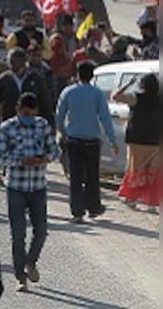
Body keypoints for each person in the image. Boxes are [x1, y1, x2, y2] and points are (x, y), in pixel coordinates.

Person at [0, 92, 61, 292]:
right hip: (16, 186)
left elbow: (55, 151)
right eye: (24, 113)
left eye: (31, 113)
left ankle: (30, 261)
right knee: (18, 234)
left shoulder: (42, 125)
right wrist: (20, 161)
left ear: (36, 112)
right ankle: (20, 277)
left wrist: (43, 159)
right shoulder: (7, 128)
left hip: (38, 186)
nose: (28, 116)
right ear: (18, 109)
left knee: (41, 230)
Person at [56, 61, 117, 221]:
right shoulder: (97, 94)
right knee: (92, 175)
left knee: (75, 176)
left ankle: (77, 212)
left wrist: (63, 132)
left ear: (77, 74)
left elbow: (59, 116)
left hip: (73, 139)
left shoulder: (68, 92)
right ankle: (94, 208)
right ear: (92, 76)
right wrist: (112, 140)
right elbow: (105, 118)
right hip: (92, 140)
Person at [113, 73, 161, 211]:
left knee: (135, 169)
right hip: (155, 141)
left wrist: (129, 84)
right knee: (154, 172)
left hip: (136, 140)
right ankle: (152, 203)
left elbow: (115, 96)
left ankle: (131, 198)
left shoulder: (136, 98)